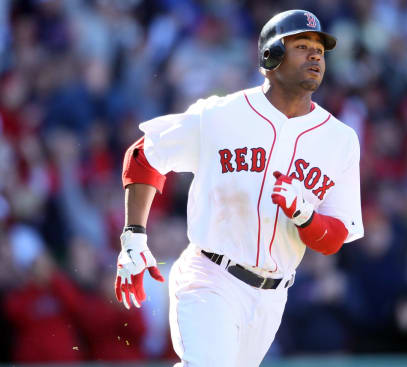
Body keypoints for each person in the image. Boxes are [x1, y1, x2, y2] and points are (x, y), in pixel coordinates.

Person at [115, 9, 364, 367]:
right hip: (211, 275)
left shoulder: (340, 140)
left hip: (272, 296)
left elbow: (334, 237)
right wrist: (134, 236)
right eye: (302, 45)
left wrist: (305, 215)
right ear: (271, 55)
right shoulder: (221, 115)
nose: (315, 55)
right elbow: (144, 154)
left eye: (320, 49)